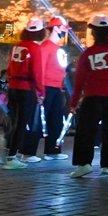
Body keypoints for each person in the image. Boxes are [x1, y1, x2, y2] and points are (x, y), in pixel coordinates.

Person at [68, 15, 108, 177]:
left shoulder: (87, 53)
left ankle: (84, 164)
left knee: (85, 131)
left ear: (94, 33)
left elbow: (79, 81)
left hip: (92, 96)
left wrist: (74, 102)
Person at [1, 17, 47, 169]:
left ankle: (8, 151)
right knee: (22, 123)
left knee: (14, 121)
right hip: (27, 89)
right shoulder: (35, 48)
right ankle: (12, 156)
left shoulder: (16, 47)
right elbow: (37, 72)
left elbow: (9, 68)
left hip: (13, 87)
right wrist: (41, 91)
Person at [39, 18, 69, 159]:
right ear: (56, 28)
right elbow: (41, 69)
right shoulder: (46, 47)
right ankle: (27, 151)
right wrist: (40, 89)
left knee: (56, 119)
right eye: (63, 28)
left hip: (56, 87)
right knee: (43, 120)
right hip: (47, 86)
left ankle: (52, 150)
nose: (65, 31)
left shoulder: (57, 48)